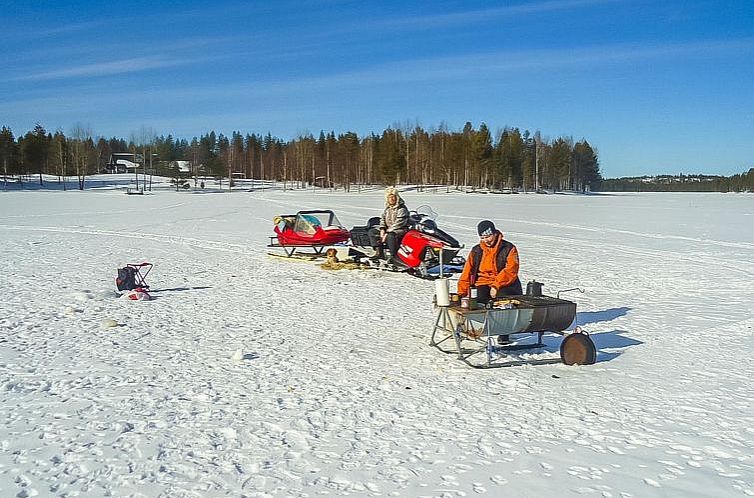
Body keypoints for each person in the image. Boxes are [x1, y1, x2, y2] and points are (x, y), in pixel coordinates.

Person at [457, 220, 522, 343]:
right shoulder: (476, 251)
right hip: (482, 283)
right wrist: (461, 292)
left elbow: (511, 270)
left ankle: (504, 332)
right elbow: (467, 272)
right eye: (483, 238)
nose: (486, 240)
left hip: (505, 283)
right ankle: (475, 328)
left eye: (488, 236)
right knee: (476, 299)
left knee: (503, 300)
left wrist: (496, 286)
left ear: (494, 233)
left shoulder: (508, 248)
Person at [370, 187, 409, 264]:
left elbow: (400, 222)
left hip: (400, 229)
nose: (391, 199)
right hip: (388, 228)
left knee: (391, 235)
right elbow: (382, 219)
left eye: (393, 197)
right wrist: (382, 229)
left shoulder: (402, 208)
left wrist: (387, 232)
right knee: (372, 232)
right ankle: (379, 252)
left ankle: (394, 256)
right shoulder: (388, 208)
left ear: (397, 197)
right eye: (389, 197)